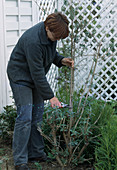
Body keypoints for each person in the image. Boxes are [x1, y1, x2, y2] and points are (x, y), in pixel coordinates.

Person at [7, 12, 74, 170]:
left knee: (37, 115)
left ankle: (36, 153)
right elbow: (37, 72)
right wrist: (51, 96)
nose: (57, 40)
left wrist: (60, 60)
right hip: (21, 77)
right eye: (56, 37)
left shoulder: (51, 34)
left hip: (34, 78)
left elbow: (50, 54)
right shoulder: (33, 40)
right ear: (46, 28)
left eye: (59, 38)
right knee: (25, 117)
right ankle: (20, 161)